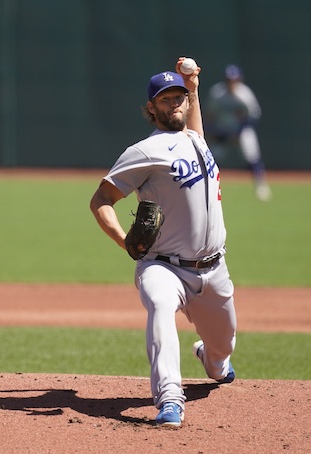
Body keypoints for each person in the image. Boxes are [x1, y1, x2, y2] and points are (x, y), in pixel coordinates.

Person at [89, 58, 237, 427]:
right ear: (151, 107)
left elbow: (195, 127)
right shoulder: (144, 152)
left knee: (223, 351)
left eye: (179, 98)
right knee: (159, 306)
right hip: (163, 266)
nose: (175, 103)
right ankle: (170, 398)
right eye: (166, 98)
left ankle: (212, 359)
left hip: (214, 269)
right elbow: (100, 201)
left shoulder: (196, 141)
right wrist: (125, 241)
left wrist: (195, 88)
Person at [205, 64, 271, 201]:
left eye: (234, 80)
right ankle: (209, 188)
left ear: (239, 80)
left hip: (241, 131)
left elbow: (253, 117)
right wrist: (212, 131)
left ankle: (261, 186)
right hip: (222, 131)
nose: (231, 83)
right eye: (229, 80)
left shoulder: (245, 94)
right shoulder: (217, 93)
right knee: (213, 159)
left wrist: (238, 132)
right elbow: (209, 114)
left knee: (251, 157)